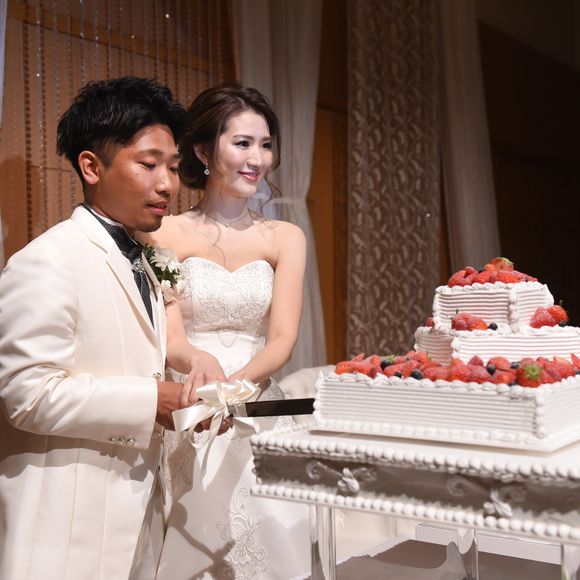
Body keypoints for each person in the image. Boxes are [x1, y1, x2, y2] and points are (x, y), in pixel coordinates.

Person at [0, 77, 204, 580]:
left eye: (173, 167)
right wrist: (151, 401)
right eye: (149, 164)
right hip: (69, 521)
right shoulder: (47, 260)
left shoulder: (150, 258)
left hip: (139, 514)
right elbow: (26, 394)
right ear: (92, 166)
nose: (168, 185)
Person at [145, 86, 310, 579]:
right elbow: (172, 338)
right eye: (242, 143)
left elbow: (282, 339)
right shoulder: (164, 233)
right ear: (202, 150)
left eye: (265, 145)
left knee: (272, 538)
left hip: (256, 400)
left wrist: (234, 392)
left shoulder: (286, 237)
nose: (257, 159)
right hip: (191, 401)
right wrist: (205, 384)